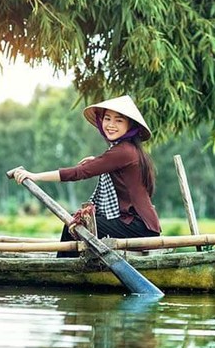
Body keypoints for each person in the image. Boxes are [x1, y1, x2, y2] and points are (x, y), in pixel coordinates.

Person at [13, 95, 161, 257]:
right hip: (138, 224)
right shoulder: (127, 149)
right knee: (78, 225)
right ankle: (70, 265)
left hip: (139, 227)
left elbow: (80, 172)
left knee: (75, 226)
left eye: (119, 121)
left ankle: (64, 270)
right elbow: (110, 165)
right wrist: (97, 162)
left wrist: (35, 176)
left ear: (129, 126)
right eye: (107, 118)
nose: (111, 125)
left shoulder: (124, 151)